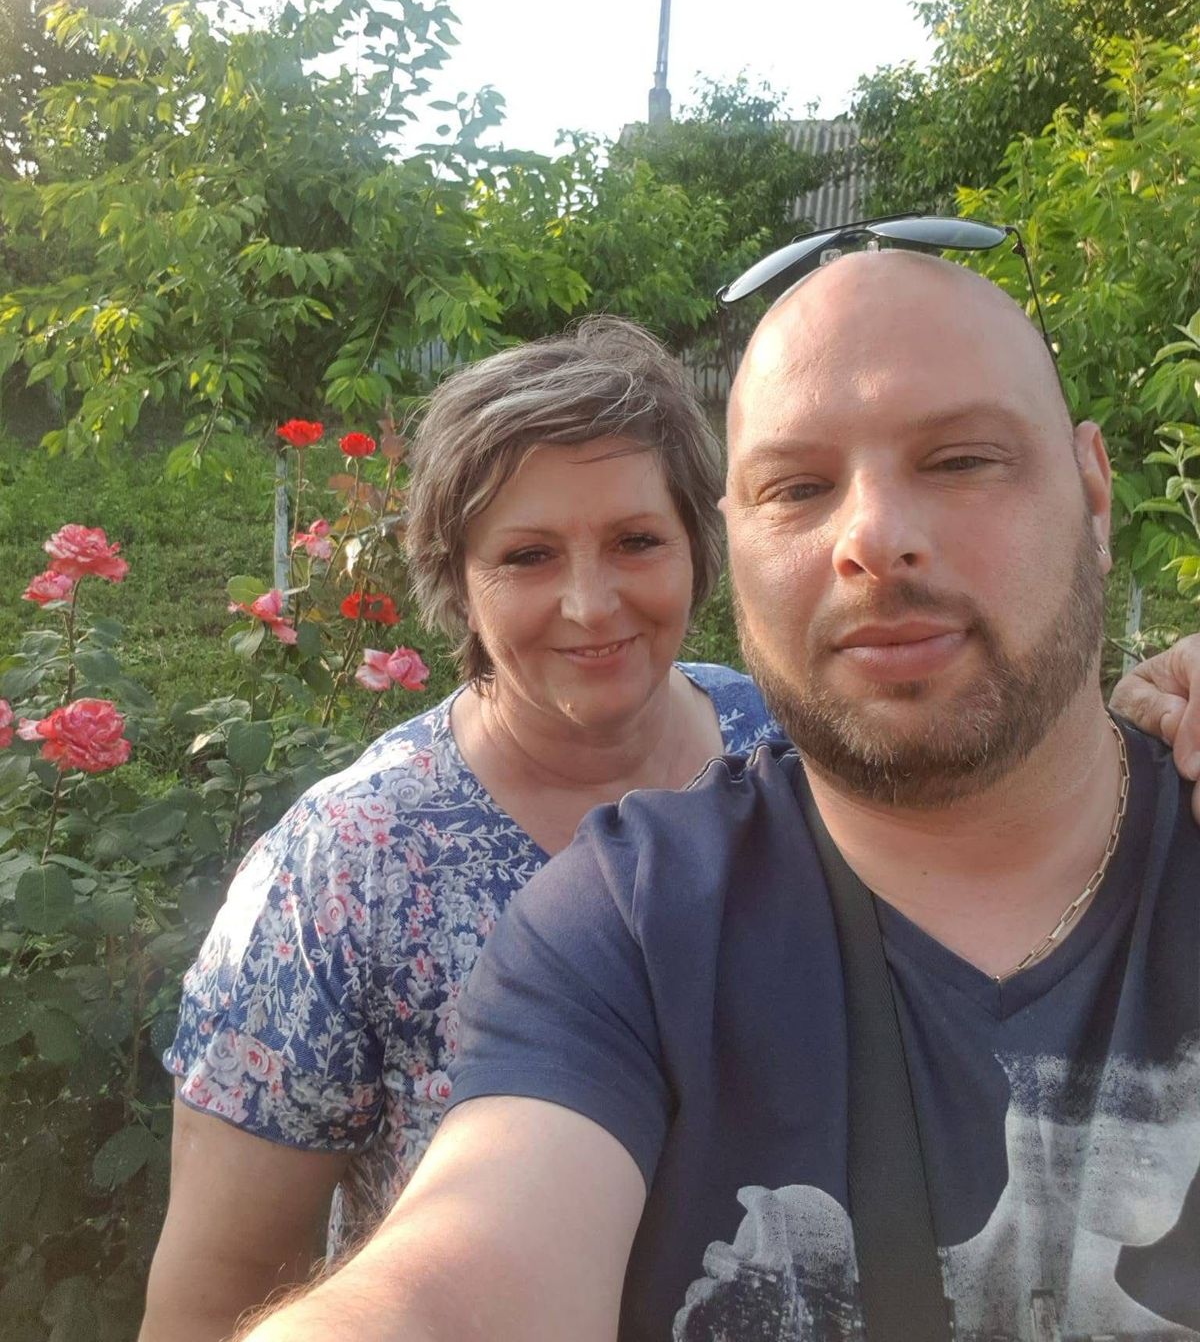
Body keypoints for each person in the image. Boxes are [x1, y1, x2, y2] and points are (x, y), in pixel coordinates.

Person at [240, 251, 1200, 1342]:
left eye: (963, 459)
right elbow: (443, 1278)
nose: (872, 538)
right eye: (799, 486)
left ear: (1093, 492)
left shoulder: (754, 722)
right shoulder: (601, 911)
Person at [140, 319, 782, 1342]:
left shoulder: (786, 751)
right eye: (528, 555)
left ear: (697, 547)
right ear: (457, 579)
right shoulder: (350, 865)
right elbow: (218, 1286)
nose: (591, 604)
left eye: (636, 541)